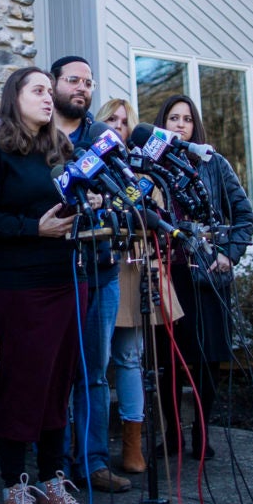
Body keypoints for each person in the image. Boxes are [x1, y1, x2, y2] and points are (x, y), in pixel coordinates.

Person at [0, 66, 91, 504]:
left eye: (47, 90)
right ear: (14, 97)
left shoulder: (60, 149)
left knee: (59, 381)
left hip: (67, 280)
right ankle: (14, 488)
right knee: (24, 383)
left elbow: (69, 200)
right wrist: (31, 228)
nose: (46, 98)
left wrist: (90, 204)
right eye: (37, 90)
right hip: (20, 285)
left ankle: (51, 479)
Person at [150, 94, 253, 461]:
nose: (180, 125)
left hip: (206, 273)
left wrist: (229, 254)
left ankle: (202, 433)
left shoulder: (213, 163)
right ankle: (174, 434)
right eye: (173, 118)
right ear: (162, 124)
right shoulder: (148, 164)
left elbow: (244, 216)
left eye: (187, 119)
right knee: (169, 359)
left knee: (207, 358)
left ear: (196, 126)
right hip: (166, 274)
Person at [50, 57, 131, 493]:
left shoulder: (103, 138)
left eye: (88, 82)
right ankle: (56, 465)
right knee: (59, 371)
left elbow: (130, 190)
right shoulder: (37, 136)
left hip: (102, 270)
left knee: (95, 373)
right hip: (55, 274)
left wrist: (114, 206)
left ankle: (93, 461)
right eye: (73, 80)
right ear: (53, 84)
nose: (82, 88)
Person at [94, 98, 147, 473]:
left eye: (124, 122)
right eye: (110, 119)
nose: (117, 126)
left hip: (129, 268)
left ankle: (133, 444)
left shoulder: (139, 168)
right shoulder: (90, 162)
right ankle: (88, 449)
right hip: (93, 267)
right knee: (93, 364)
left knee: (129, 358)